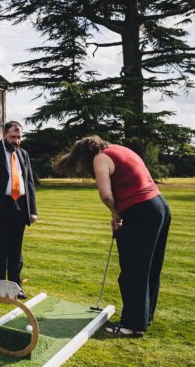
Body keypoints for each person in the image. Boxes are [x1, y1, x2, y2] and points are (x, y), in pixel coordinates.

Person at [54, 136, 170, 337]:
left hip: (140, 210)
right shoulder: (120, 149)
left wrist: (115, 213)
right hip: (159, 206)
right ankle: (144, 317)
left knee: (133, 269)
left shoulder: (100, 158)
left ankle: (132, 326)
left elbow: (106, 195)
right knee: (150, 266)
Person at [0, 120, 38, 299]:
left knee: (15, 250)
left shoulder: (24, 154)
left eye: (19, 137)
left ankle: (15, 287)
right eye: (13, 137)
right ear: (4, 134)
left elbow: (29, 183)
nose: (16, 140)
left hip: (19, 206)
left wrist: (32, 210)